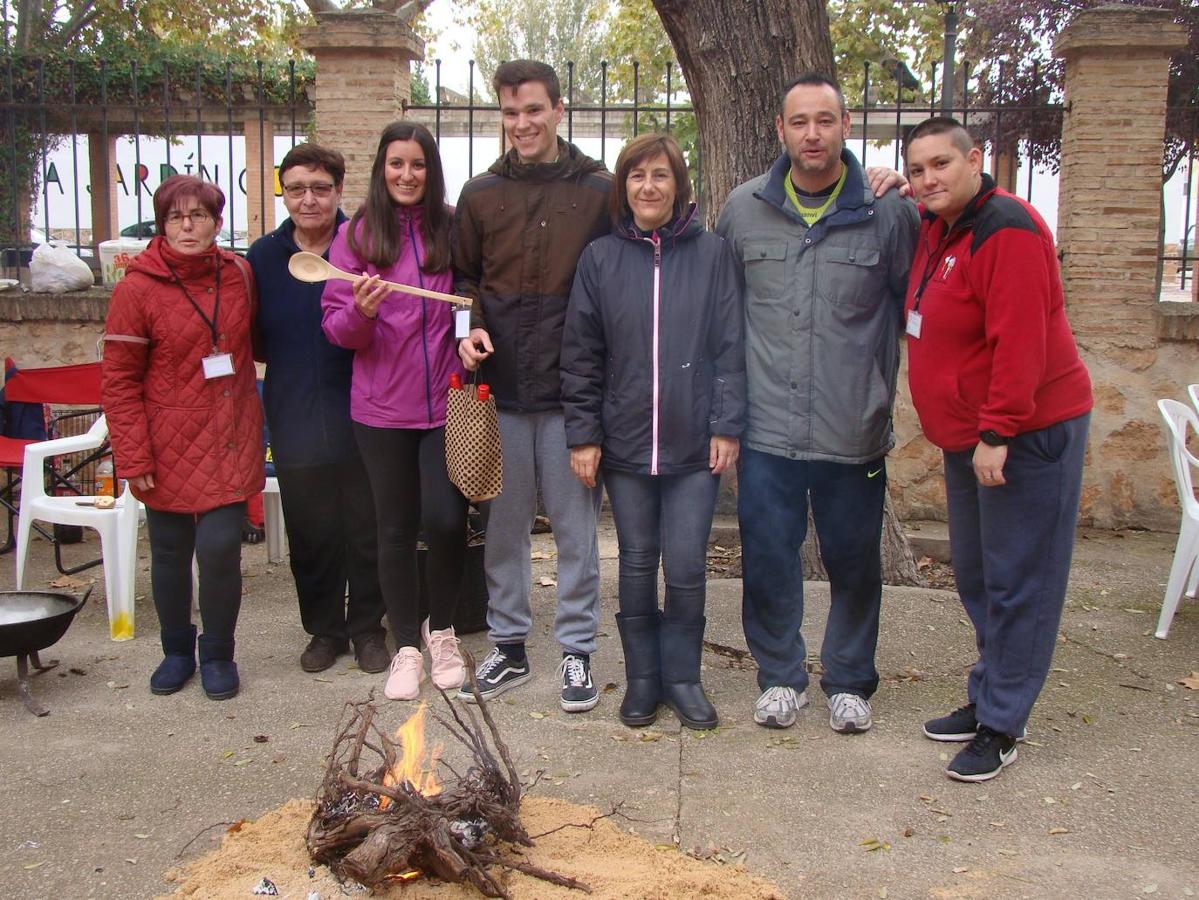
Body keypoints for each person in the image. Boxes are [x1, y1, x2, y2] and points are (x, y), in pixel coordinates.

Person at [716, 73, 919, 734]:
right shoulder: (742, 209)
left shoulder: (889, 212)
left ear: (844, 125)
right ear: (779, 129)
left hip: (850, 428)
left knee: (853, 561)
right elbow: (722, 319)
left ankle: (850, 680)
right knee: (768, 557)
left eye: (824, 121)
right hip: (768, 428)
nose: (811, 134)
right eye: (798, 121)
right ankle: (778, 676)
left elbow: (915, 302)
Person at [903, 117, 1092, 782]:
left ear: (974, 158)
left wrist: (997, 432)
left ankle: (1002, 724)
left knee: (1020, 581)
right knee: (981, 576)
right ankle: (990, 694)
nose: (929, 177)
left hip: (1020, 436)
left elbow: (1021, 343)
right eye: (917, 167)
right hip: (971, 437)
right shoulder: (939, 225)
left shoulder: (1005, 228)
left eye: (940, 164)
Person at [561, 134, 745, 730]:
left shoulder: (713, 254)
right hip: (626, 443)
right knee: (638, 563)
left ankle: (684, 678)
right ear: (624, 186)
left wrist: (726, 423)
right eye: (637, 175)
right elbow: (581, 354)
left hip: (695, 444)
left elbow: (730, 346)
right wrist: (584, 434)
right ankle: (643, 680)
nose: (648, 186)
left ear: (678, 184)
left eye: (660, 175)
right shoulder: (600, 259)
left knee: (688, 565)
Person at [454, 60, 612, 712]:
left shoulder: (600, 190)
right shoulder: (479, 194)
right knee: (504, 530)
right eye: (511, 112)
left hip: (574, 395)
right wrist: (465, 332)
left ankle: (577, 651)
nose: (522, 123)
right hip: (500, 393)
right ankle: (509, 645)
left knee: (576, 535)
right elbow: (462, 282)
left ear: (558, 109)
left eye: (533, 110)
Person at [102, 174, 264, 701]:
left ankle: (218, 653)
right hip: (166, 439)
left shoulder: (240, 273)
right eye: (176, 217)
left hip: (229, 433)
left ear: (218, 222)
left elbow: (257, 339)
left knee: (219, 548)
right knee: (170, 551)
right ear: (163, 224)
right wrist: (132, 452)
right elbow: (120, 379)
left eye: (199, 215)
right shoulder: (137, 289)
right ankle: (176, 650)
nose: (188, 225)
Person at [321, 121, 468, 701]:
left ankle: (445, 630)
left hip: (446, 407)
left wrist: (468, 333)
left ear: (431, 171)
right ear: (381, 169)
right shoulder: (356, 236)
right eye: (396, 164)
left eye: (418, 165)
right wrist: (361, 311)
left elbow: (470, 300)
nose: (407, 175)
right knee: (395, 529)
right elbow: (336, 329)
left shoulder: (452, 228)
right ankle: (406, 643)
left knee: (448, 521)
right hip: (381, 410)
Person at [247, 143, 389, 676]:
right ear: (283, 191)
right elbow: (254, 335)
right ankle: (325, 630)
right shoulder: (262, 256)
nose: (310, 199)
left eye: (321, 188)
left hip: (359, 405)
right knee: (310, 528)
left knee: (365, 523)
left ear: (338, 192)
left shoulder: (362, 245)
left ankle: (368, 628)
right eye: (298, 188)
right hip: (293, 407)